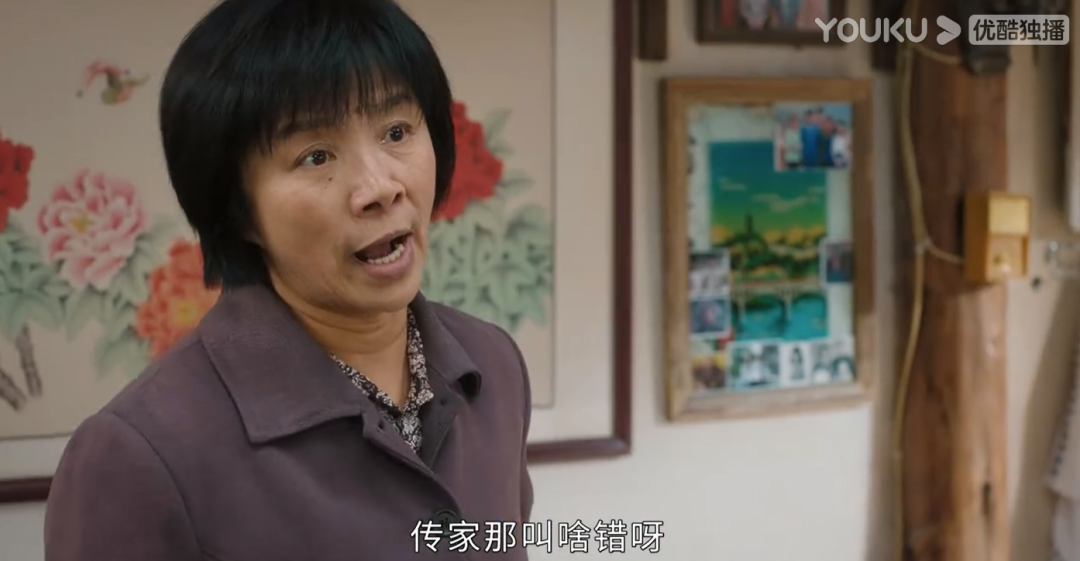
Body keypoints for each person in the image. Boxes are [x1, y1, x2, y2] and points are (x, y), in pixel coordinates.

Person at [42, 1, 533, 559]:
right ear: (236, 210)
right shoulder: (140, 454)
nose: (380, 187)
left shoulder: (494, 366)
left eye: (396, 131)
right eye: (316, 156)